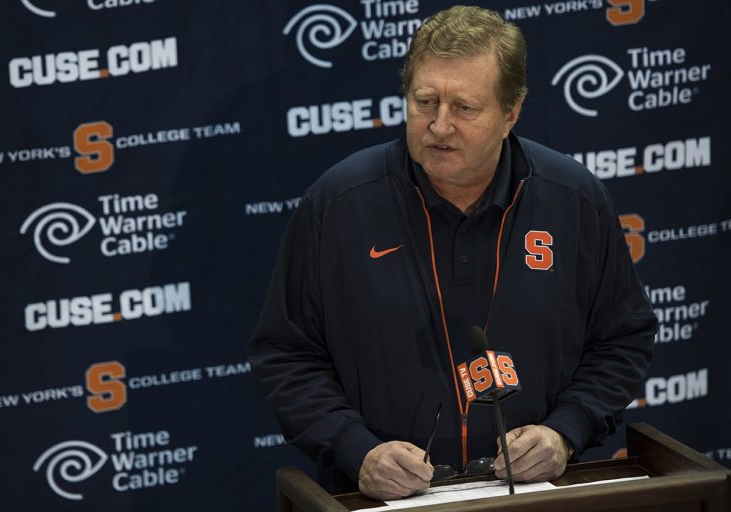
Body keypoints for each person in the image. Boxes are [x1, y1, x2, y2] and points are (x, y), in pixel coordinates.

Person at [249, 5, 656, 501]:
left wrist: (565, 432)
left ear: (512, 112)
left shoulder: (574, 200)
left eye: (464, 107)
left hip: (538, 494)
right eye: (425, 102)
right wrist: (356, 451)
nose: (439, 126)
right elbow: (287, 356)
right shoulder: (338, 204)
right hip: (384, 502)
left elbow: (621, 340)